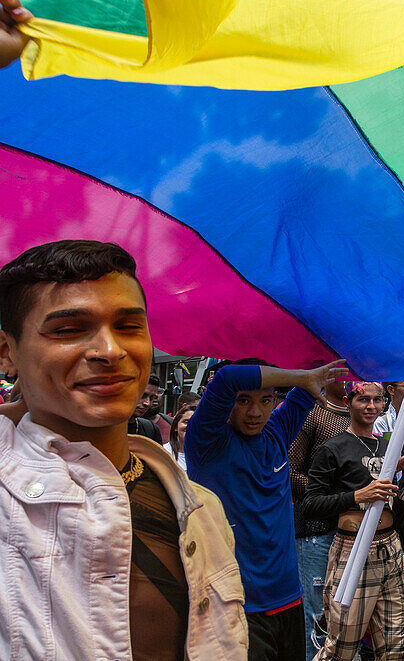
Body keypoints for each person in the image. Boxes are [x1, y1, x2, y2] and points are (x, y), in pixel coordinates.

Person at [0, 239, 247, 658]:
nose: (110, 352)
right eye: (68, 330)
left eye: (129, 326)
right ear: (7, 353)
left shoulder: (203, 511)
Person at [186, 357, 348, 661]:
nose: (255, 412)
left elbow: (323, 365)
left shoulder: (276, 434)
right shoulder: (206, 441)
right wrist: (299, 376)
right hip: (236, 606)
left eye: (265, 400)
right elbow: (229, 376)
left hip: (289, 600)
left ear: (276, 400)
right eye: (243, 400)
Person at [300, 381, 404, 661]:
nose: (371, 406)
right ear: (348, 402)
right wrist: (357, 496)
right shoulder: (332, 448)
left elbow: (390, 500)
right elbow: (311, 505)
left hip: (391, 549)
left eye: (377, 400)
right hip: (351, 550)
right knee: (341, 647)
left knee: (395, 644)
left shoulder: (388, 445)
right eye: (363, 400)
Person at [288, 370, 354, 658]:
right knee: (318, 614)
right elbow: (289, 469)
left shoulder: (369, 419)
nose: (355, 378)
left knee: (348, 613)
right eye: (347, 372)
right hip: (316, 531)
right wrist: (333, 498)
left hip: (356, 533)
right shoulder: (314, 415)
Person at [128, 375, 162, 441]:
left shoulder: (151, 429)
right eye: (142, 396)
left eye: (152, 398)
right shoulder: (104, 427)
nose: (147, 403)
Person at [165, 401, 196, 470]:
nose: (190, 426)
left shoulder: (206, 455)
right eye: (186, 422)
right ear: (175, 426)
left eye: (195, 423)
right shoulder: (163, 453)